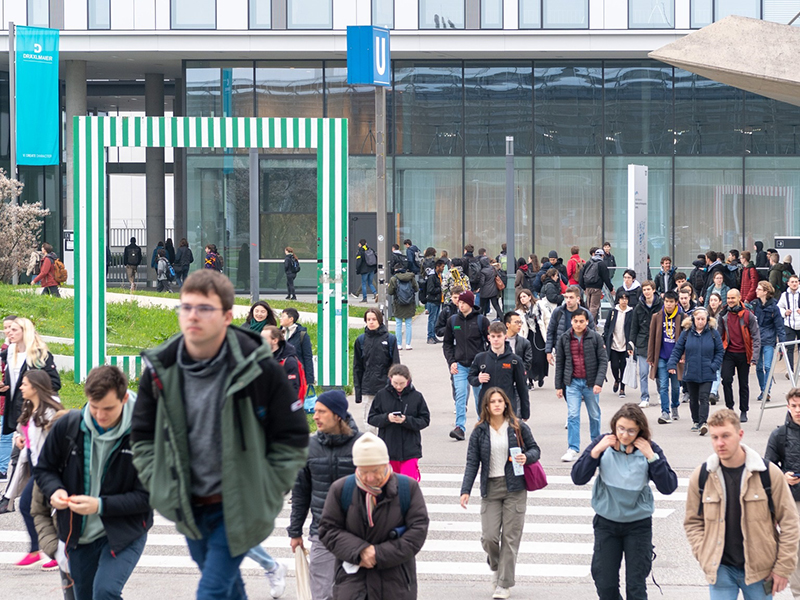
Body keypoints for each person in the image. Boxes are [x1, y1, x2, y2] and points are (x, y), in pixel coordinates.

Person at [130, 270, 309, 599]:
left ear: (227, 316)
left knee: (210, 592)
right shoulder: (161, 369)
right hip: (190, 503)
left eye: (204, 308)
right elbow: (141, 436)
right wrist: (160, 485)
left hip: (240, 503)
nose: (192, 316)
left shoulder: (257, 367)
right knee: (228, 589)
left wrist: (269, 489)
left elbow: (293, 436)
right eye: (186, 307)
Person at [35, 365, 153, 600]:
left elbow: (148, 497)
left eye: (108, 408)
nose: (100, 416)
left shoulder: (146, 435)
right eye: (94, 407)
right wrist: (55, 490)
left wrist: (100, 505)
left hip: (124, 532)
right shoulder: (68, 426)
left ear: (124, 398)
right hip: (79, 535)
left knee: (105, 591)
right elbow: (44, 469)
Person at [684, 409, 799, 599]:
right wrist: (703, 553)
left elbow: (790, 522)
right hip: (720, 571)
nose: (720, 443)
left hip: (760, 571)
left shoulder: (767, 473)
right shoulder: (702, 475)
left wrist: (782, 568)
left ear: (740, 434)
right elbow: (692, 522)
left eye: (726, 436)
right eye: (715, 437)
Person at [572, 403, 678, 600]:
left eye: (631, 431)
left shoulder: (649, 448)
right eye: (620, 428)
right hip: (606, 523)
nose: (624, 435)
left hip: (638, 525)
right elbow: (578, 477)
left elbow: (669, 486)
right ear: (614, 425)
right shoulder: (603, 443)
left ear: (640, 431)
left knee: (636, 587)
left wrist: (651, 457)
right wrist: (595, 452)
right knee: (605, 583)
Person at [318, 433, 429, 600]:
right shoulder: (341, 489)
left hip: (396, 584)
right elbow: (328, 530)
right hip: (352, 585)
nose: (369, 478)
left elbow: (417, 531)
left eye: (375, 471)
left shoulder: (407, 488)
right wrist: (360, 551)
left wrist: (378, 554)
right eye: (363, 472)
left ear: (386, 464)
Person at [460, 387, 541, 600]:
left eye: (500, 401)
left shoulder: (517, 427)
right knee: (489, 537)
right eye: (492, 402)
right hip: (491, 488)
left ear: (506, 404)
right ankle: (496, 565)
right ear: (486, 406)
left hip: (515, 488)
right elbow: (472, 462)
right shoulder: (479, 431)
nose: (497, 404)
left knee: (510, 538)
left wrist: (526, 457)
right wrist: (465, 490)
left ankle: (504, 584)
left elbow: (535, 449)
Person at [288, 390, 361, 600]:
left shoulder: (362, 445)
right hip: (323, 533)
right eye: (315, 411)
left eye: (322, 412)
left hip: (357, 533)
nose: (315, 416)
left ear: (337, 415)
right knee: (322, 593)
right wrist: (295, 532)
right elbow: (300, 494)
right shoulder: (309, 447)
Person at [4, 370, 62, 567]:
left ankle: (56, 551)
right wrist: (19, 438)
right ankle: (40, 550)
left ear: (36, 387)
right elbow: (22, 430)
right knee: (30, 506)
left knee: (46, 508)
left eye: (25, 384)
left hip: (48, 468)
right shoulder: (30, 405)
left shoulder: (50, 411)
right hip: (35, 465)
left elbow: (58, 440)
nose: (21, 387)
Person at [555, 311, 608, 462]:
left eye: (581, 321)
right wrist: (559, 386)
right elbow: (560, 363)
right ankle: (573, 448)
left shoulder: (595, 337)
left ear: (587, 322)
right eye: (576, 321)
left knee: (594, 415)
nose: (578, 324)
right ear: (571, 321)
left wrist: (598, 382)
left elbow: (603, 361)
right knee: (573, 415)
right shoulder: (565, 338)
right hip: (572, 383)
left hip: (590, 383)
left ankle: (596, 445)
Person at [0, 318, 61, 440]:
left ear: (25, 332)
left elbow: (55, 383)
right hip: (15, 412)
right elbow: (14, 386)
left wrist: (32, 389)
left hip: (35, 412)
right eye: (8, 329)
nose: (9, 332)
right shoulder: (9, 354)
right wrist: (3, 388)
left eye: (14, 330)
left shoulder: (40, 355)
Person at [765, 388, 800, 599]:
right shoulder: (779, 435)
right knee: (796, 548)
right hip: (792, 500)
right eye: (794, 406)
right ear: (788, 407)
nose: (798, 410)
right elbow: (767, 467)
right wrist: (782, 477)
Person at [368, 364, 430, 482]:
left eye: (402, 383)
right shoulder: (381, 395)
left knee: (407, 485)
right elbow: (371, 418)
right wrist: (387, 418)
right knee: (389, 486)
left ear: (408, 380)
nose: (398, 386)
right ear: (390, 379)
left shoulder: (417, 396)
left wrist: (406, 420)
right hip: (388, 450)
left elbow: (425, 420)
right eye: (395, 383)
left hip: (410, 449)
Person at [667, 308, 724, 435]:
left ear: (707, 320)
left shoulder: (713, 333)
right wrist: (671, 364)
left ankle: (703, 423)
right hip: (691, 370)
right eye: (698, 319)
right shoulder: (686, 333)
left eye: (703, 319)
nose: (700, 321)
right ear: (693, 319)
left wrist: (714, 366)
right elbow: (677, 350)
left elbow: (720, 351)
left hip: (707, 371)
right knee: (693, 398)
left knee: (704, 397)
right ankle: (696, 421)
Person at [443, 290, 489, 441]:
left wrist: (486, 362)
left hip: (478, 367)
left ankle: (482, 425)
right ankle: (459, 427)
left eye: (463, 302)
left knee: (480, 397)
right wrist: (451, 362)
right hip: (460, 365)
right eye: (459, 302)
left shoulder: (482, 321)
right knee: (460, 396)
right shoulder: (453, 321)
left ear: (470, 303)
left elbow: (490, 342)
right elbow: (447, 344)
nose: (460, 305)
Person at [468, 322, 530, 421]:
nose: (496, 339)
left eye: (499, 336)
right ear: (489, 338)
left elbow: (522, 387)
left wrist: (525, 413)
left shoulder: (515, 360)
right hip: (486, 407)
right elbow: (471, 377)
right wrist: (478, 379)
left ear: (505, 337)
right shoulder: (480, 358)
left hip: (508, 407)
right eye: (493, 336)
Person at [353, 308, 400, 434]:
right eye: (368, 319)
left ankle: (385, 442)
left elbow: (396, 365)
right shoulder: (361, 341)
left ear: (379, 320)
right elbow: (357, 367)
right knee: (369, 422)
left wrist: (396, 387)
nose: (371, 322)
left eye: (374, 319)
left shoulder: (390, 339)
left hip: (386, 387)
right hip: (368, 387)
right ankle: (373, 443)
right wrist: (358, 392)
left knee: (386, 419)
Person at [718, 289, 761, 423]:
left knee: (743, 383)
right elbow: (718, 336)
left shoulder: (748, 315)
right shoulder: (723, 315)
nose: (730, 301)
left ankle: (743, 410)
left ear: (739, 298)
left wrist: (754, 356)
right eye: (728, 298)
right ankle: (730, 408)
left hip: (743, 353)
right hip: (728, 353)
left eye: (733, 298)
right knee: (726, 380)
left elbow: (756, 336)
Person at [648, 291, 684, 424]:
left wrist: (683, 355)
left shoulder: (682, 316)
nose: (668, 304)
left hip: (675, 358)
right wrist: (651, 357)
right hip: (662, 357)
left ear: (676, 303)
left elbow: (686, 339)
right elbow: (652, 337)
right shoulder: (657, 316)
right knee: (663, 385)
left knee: (675, 387)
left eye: (671, 302)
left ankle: (674, 406)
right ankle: (665, 411)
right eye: (666, 301)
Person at [749, 281, 785, 403]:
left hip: (769, 340)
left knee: (768, 366)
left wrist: (782, 344)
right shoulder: (754, 304)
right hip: (757, 339)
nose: (756, 291)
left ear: (766, 292)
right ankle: (763, 390)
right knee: (758, 367)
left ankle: (766, 391)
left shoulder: (774, 307)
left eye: (759, 289)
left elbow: (780, 327)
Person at [629, 281, 663, 409]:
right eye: (644, 290)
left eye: (648, 289)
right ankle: (644, 397)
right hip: (643, 342)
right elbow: (634, 327)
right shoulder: (638, 307)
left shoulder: (661, 305)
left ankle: (661, 394)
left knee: (659, 372)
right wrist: (631, 343)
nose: (646, 292)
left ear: (653, 290)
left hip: (658, 342)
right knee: (643, 372)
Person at [545, 286, 596, 367]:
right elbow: (550, 331)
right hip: (562, 351)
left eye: (571, 297)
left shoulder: (586, 313)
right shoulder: (558, 312)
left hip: (581, 352)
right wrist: (548, 351)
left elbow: (593, 334)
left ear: (578, 299)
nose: (568, 300)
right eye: (566, 297)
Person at [516, 289, 548, 388]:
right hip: (528, 335)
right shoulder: (520, 312)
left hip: (539, 334)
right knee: (529, 358)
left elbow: (547, 319)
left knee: (540, 358)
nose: (522, 299)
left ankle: (540, 376)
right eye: (520, 297)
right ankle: (530, 381)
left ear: (530, 297)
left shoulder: (540, 306)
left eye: (524, 296)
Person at [605, 292, 633, 399]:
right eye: (622, 298)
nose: (624, 301)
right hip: (614, 344)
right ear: (618, 300)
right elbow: (607, 326)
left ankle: (622, 389)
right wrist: (606, 339)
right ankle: (617, 379)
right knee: (614, 366)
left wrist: (631, 343)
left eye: (626, 299)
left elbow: (633, 328)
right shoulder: (613, 311)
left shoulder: (631, 312)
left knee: (623, 367)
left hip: (625, 344)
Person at [262, 325, 303, 397]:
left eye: (264, 339)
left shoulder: (289, 361)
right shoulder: (262, 358)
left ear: (275, 341)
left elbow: (293, 390)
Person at [281, 307, 316, 388]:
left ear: (291, 319)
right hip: (280, 373)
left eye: (283, 316)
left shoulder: (302, 334)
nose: (280, 319)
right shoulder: (277, 333)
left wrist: (309, 380)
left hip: (296, 374)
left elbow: (307, 357)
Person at [388, 265, 419, 351]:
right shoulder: (411, 277)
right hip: (409, 303)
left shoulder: (394, 279)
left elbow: (390, 292)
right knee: (408, 324)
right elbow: (416, 289)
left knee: (398, 324)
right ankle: (408, 344)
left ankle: (399, 344)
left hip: (398, 303)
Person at [579, 248, 614, 322]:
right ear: (602, 255)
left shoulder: (588, 262)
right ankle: (590, 323)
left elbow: (581, 274)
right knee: (594, 307)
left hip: (587, 287)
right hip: (596, 288)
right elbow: (606, 278)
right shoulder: (601, 264)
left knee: (588, 306)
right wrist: (611, 288)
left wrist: (584, 287)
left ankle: (588, 322)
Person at [504, 311, 533, 390]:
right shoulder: (500, 341)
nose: (519, 325)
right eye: (516, 322)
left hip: (518, 380)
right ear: (508, 324)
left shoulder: (525, 342)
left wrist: (520, 372)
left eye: (520, 322)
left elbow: (528, 362)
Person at [779, 274, 800, 375]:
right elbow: (779, 307)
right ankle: (790, 370)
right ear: (788, 283)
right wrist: (784, 312)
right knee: (789, 348)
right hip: (789, 324)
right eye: (792, 282)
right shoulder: (784, 295)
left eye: (796, 282)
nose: (794, 284)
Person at [426, 259, 445, 344]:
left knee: (435, 319)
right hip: (432, 300)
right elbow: (430, 289)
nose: (443, 268)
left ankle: (433, 336)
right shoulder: (432, 276)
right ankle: (430, 336)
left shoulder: (439, 275)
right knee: (432, 319)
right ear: (437, 266)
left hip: (437, 300)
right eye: (442, 267)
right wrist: (440, 288)